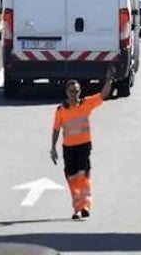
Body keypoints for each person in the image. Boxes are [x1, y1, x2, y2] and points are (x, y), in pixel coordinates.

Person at [50, 69, 114, 220]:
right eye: (72, 91)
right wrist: (53, 148)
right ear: (67, 92)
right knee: (72, 178)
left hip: (84, 146)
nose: (75, 94)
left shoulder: (86, 104)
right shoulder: (61, 110)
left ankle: (84, 206)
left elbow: (102, 95)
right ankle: (77, 207)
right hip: (69, 149)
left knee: (82, 175)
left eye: (77, 91)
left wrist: (109, 81)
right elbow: (56, 129)